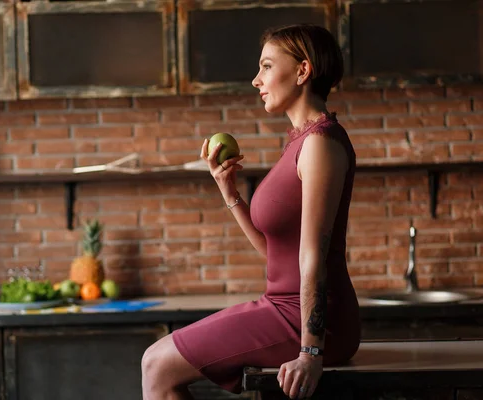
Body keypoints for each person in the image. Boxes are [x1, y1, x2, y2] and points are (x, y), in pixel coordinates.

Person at [141, 23, 361, 400]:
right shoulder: (302, 142)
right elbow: (276, 252)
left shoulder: (321, 145)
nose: (256, 80)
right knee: (155, 362)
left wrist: (311, 351)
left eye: (267, 66)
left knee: (158, 364)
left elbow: (312, 256)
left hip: (306, 320)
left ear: (303, 71)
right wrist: (229, 191)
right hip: (281, 306)